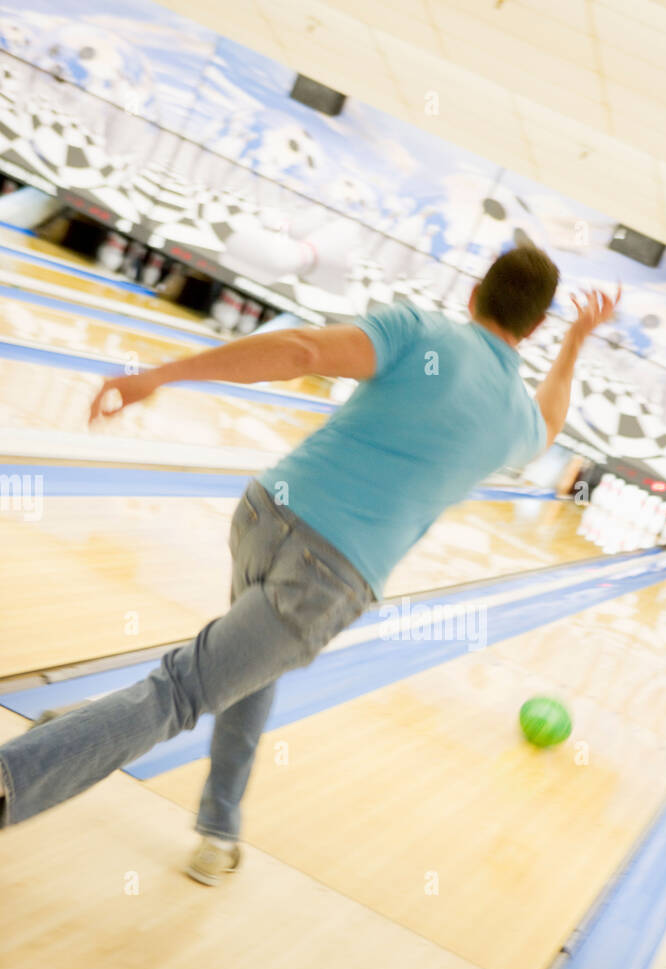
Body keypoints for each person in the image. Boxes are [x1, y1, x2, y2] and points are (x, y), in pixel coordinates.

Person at [0, 246, 619, 881]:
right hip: (329, 578)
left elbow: (300, 352)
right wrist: (576, 341)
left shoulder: (419, 331)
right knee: (181, 692)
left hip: (264, 514)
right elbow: (551, 416)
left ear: (473, 292)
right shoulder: (516, 419)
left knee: (243, 673)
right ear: (536, 327)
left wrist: (160, 375)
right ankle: (14, 777)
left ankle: (213, 824)